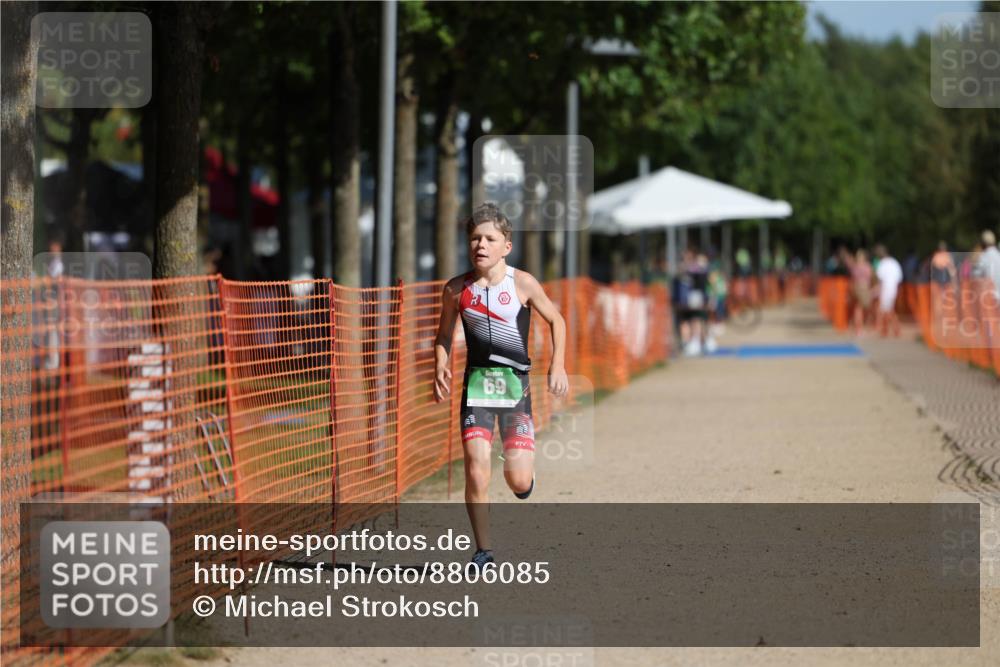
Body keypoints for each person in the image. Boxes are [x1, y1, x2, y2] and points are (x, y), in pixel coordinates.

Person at [433, 203, 568, 571]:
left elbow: (557, 321)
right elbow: (443, 335)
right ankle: (483, 551)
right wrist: (440, 364)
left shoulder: (521, 283)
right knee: (477, 469)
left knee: (517, 479)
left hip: (515, 390)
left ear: (506, 245)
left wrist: (557, 365)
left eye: (490, 238)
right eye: (475, 238)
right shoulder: (455, 289)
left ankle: (525, 478)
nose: (481, 245)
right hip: (476, 388)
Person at [672, 248, 710, 356]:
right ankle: (688, 342)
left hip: (695, 299)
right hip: (684, 301)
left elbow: (703, 281)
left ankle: (695, 341)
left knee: (696, 319)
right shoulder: (682, 270)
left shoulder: (696, 269)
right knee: (686, 321)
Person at [873, 244, 902, 337]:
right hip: (893, 289)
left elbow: (880, 279)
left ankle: (891, 329)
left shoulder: (883, 264)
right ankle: (888, 329)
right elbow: (899, 278)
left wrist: (876, 290)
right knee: (888, 310)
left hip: (886, 290)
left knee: (887, 311)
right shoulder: (894, 262)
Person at [847, 248, 873, 336]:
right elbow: (870, 277)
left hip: (856, 287)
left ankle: (857, 328)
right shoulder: (867, 266)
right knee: (861, 309)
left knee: (858, 308)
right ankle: (859, 329)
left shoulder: (854, 267)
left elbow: (852, 278)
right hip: (863, 288)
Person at [976, 230, 1000, 301]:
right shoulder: (998, 255)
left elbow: (976, 277)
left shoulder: (983, 257)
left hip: (990, 298)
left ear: (983, 243)